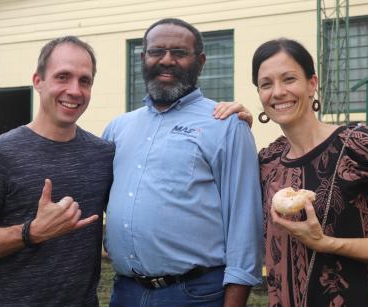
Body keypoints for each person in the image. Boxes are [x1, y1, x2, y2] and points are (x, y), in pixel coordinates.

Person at [102, 18, 263, 307]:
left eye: (179, 52)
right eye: (157, 52)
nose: (166, 60)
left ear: (200, 62)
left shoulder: (226, 125)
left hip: (196, 294)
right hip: (125, 291)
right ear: (143, 58)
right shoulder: (118, 128)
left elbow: (244, 224)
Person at [231, 38, 368, 307]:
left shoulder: (360, 145)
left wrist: (327, 243)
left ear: (312, 83)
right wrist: (234, 128)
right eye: (266, 84)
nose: (277, 92)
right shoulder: (267, 162)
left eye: (289, 79)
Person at [0, 36, 114, 306]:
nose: (75, 90)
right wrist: (32, 232)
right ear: (38, 82)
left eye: (84, 80)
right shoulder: (0, 153)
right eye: (62, 77)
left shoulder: (103, 154)